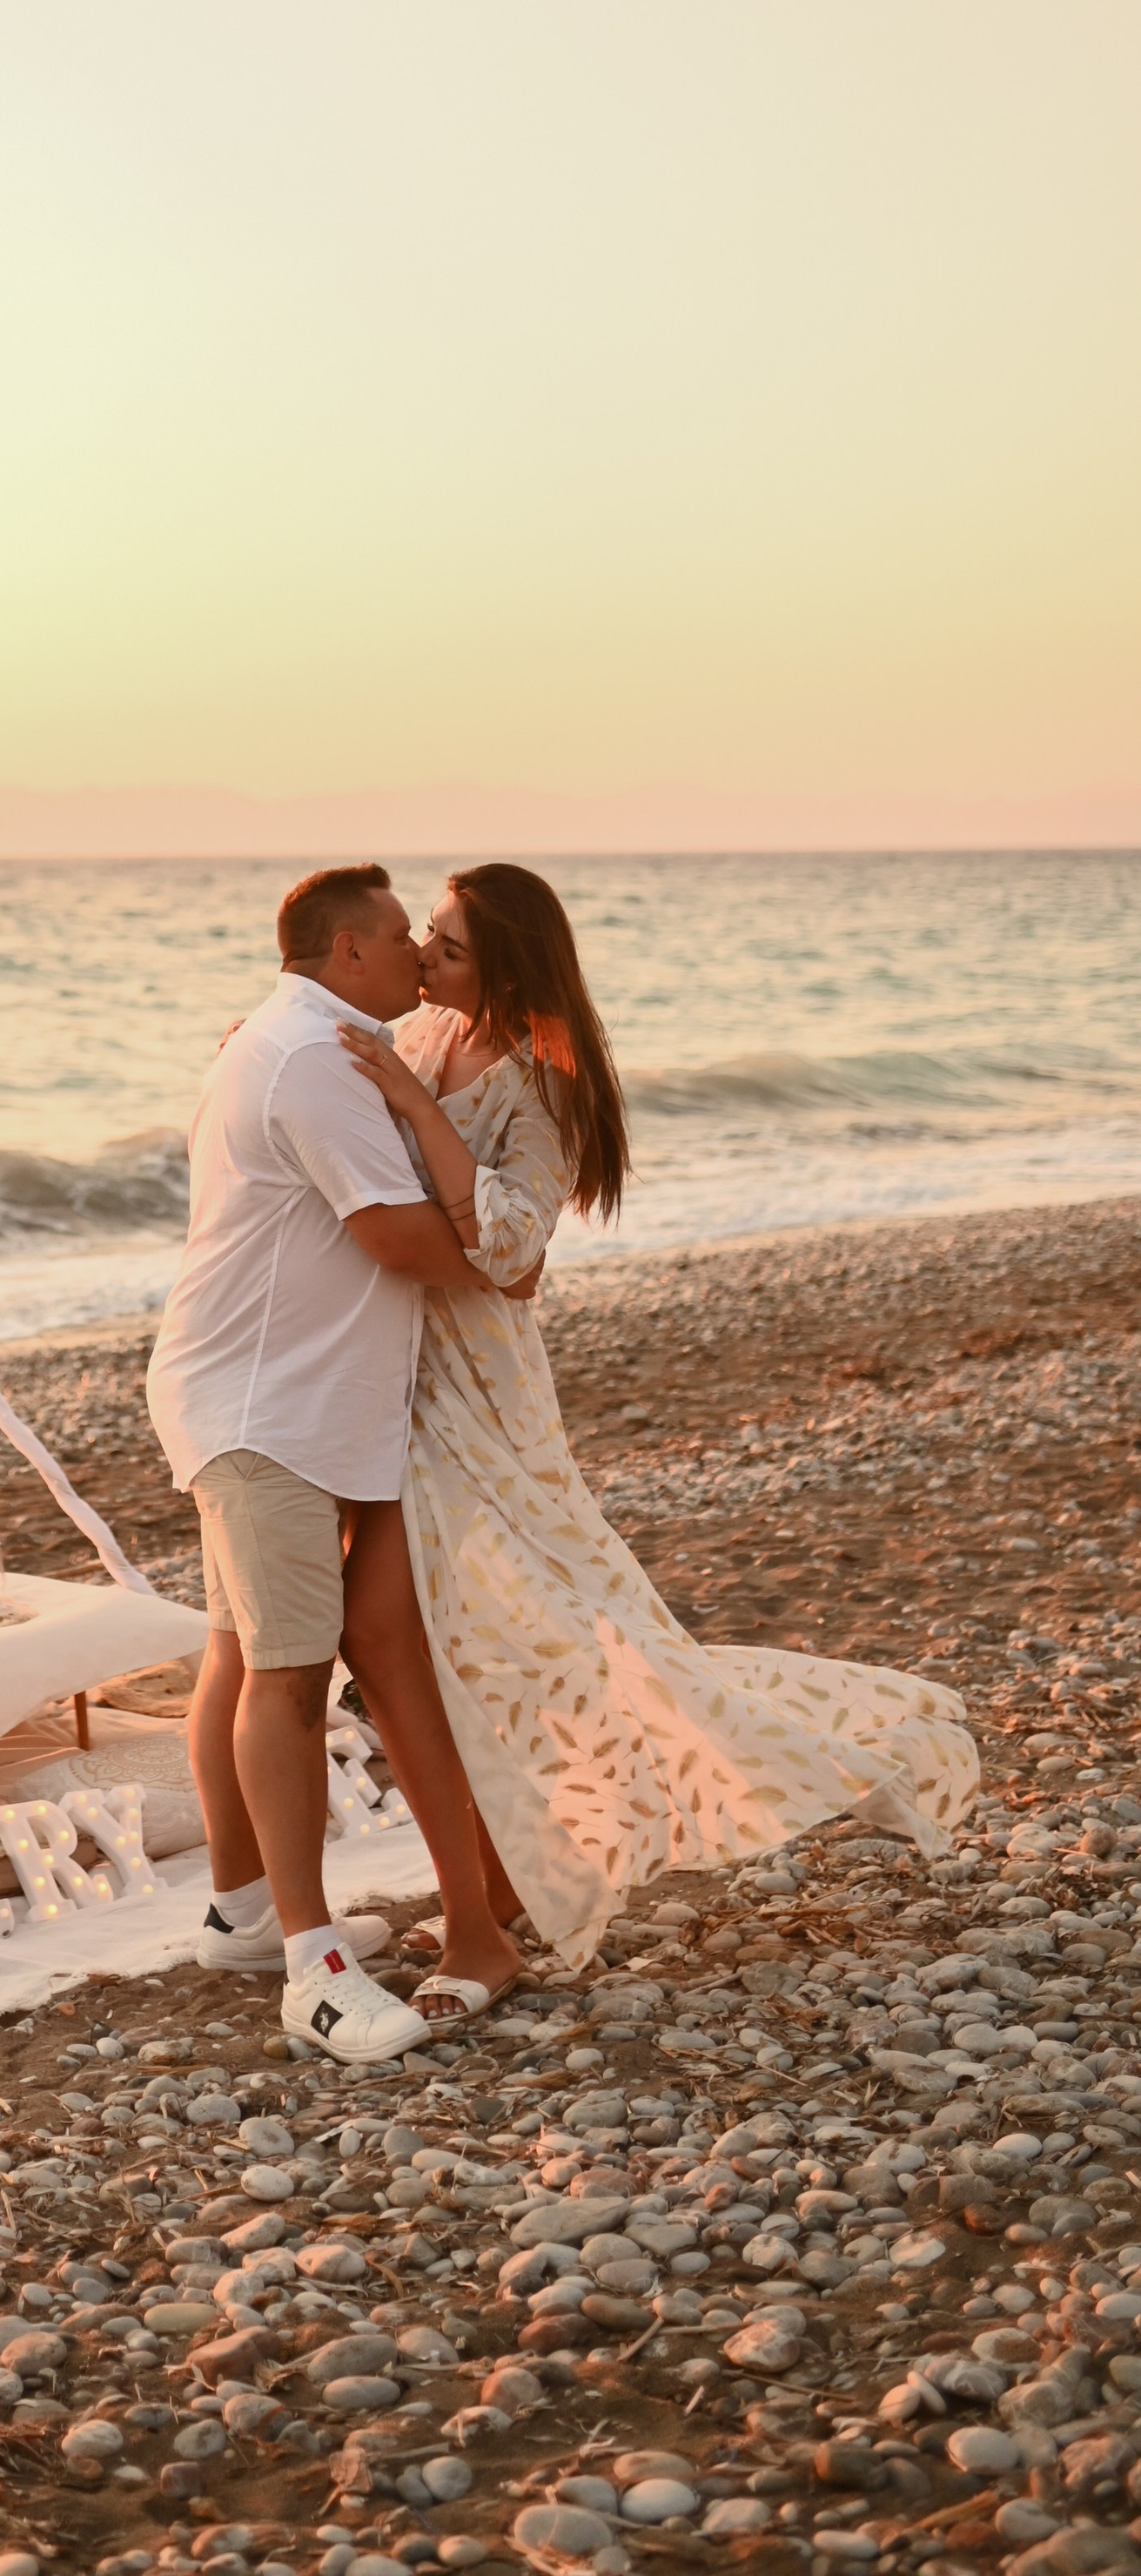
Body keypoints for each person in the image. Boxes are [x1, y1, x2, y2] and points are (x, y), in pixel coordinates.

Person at [336, 863, 979, 2001]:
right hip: (399, 1365)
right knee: (467, 1637)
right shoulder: (429, 1036)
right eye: (425, 940)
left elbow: (511, 1252)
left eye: (447, 947)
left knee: (523, 1632)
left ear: (506, 972)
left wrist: (412, 1104)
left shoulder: (535, 1090)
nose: (426, 961)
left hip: (476, 1390)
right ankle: (488, 1886)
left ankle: (861, 1746)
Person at [146, 860, 502, 2062]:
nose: (416, 957)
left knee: (242, 1652)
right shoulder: (322, 1058)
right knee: (290, 1679)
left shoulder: (293, 1033)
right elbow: (398, 1235)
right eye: (403, 937)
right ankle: (311, 1965)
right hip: (267, 1411)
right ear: (347, 953)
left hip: (258, 1393)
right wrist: (507, 1258)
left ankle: (243, 1911)